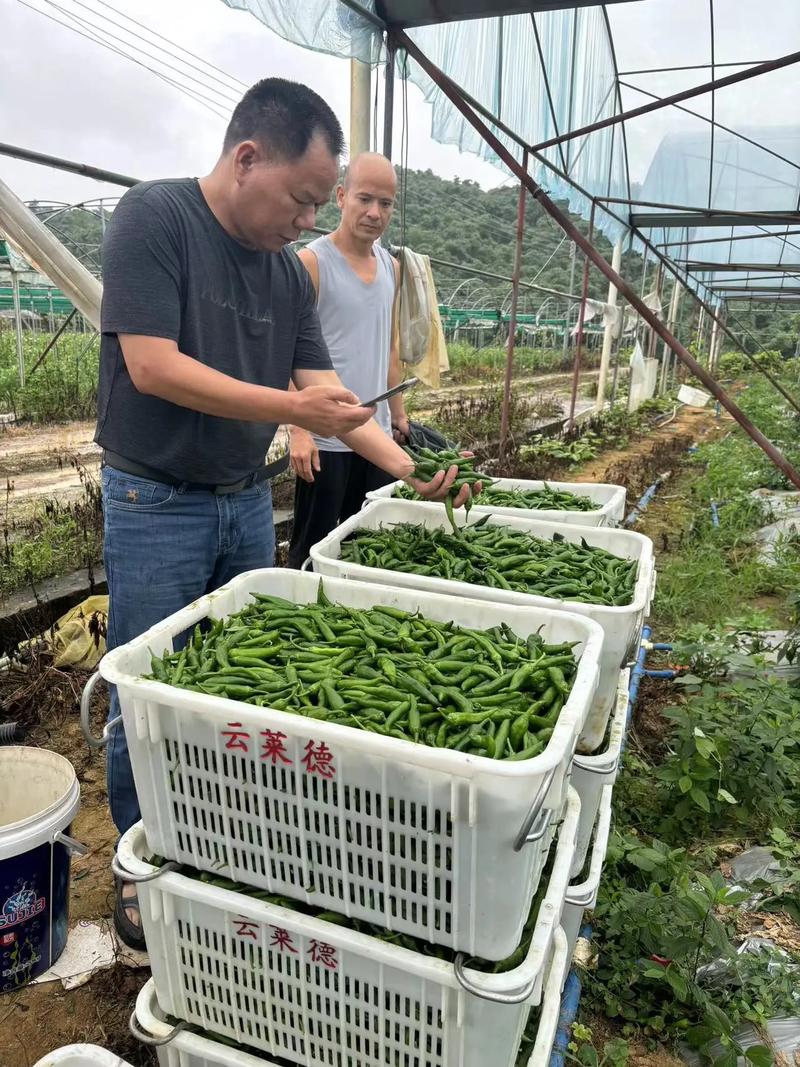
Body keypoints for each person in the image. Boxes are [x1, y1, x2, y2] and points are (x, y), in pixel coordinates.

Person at [95, 78, 471, 949]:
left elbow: (329, 396)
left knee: (234, 681)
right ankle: (137, 857)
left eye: (317, 204)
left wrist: (414, 471)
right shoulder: (155, 220)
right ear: (246, 157)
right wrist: (293, 412)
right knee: (145, 688)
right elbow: (152, 366)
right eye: (304, 199)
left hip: (240, 504)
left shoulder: (284, 279)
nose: (309, 220)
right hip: (155, 499)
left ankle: (219, 837)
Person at [288, 153, 408, 568]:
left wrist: (398, 415)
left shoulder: (392, 268)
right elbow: (287, 354)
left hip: (375, 436)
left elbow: (388, 345)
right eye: (365, 199)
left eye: (386, 203)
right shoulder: (312, 263)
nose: (375, 213)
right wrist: (299, 430)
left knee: (368, 547)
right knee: (313, 549)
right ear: (341, 196)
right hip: (326, 438)